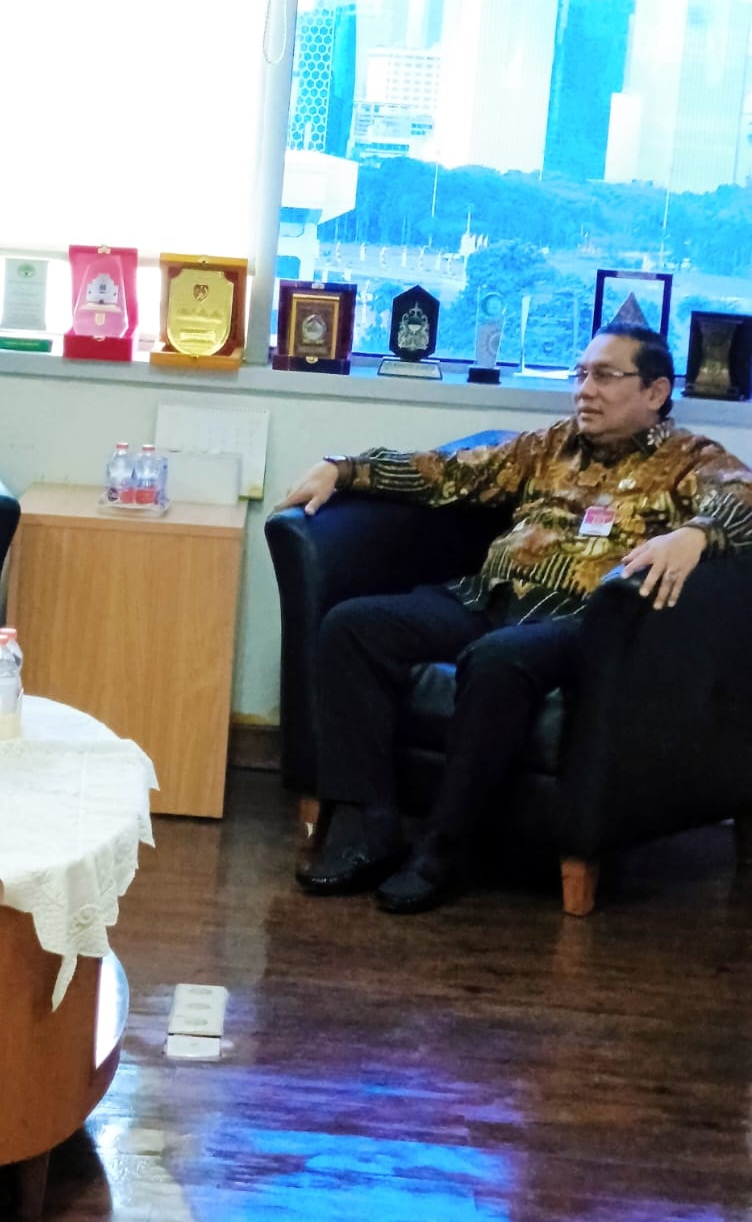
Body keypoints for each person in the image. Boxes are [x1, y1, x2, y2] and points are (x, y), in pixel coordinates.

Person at [278, 323, 752, 915]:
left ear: (656, 391)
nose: (585, 390)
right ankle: (371, 829)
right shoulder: (548, 446)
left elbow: (743, 496)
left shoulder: (690, 460)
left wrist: (697, 533)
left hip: (583, 624)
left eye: (606, 376)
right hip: (488, 600)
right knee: (353, 626)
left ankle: (443, 849)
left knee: (498, 658)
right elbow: (448, 471)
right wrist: (344, 469)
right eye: (581, 374)